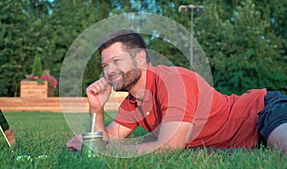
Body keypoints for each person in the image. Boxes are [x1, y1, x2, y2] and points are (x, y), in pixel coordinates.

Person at [85, 29, 287, 155]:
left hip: (262, 111)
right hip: (245, 139)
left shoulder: (173, 81)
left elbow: (170, 146)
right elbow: (106, 139)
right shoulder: (132, 102)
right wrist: (97, 108)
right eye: (105, 65)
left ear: (139, 58)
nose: (109, 71)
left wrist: (109, 149)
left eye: (116, 61)